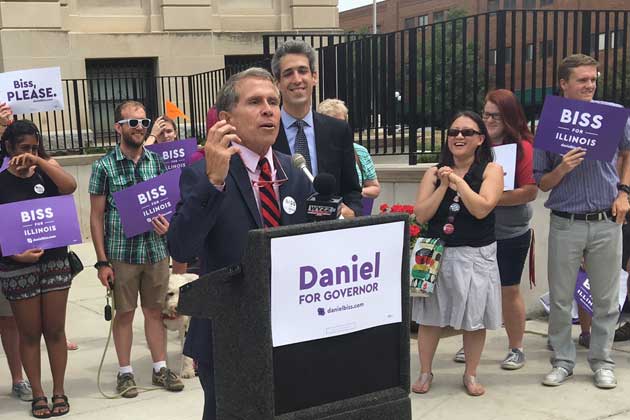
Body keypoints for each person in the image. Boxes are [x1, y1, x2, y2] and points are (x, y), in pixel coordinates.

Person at [168, 67, 313, 420]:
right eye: (255, 102)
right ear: (227, 119)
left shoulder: (294, 171)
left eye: (273, 102)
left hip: (288, 328)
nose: (268, 109)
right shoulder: (203, 174)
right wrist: (214, 181)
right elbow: (181, 248)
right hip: (228, 336)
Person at [534, 53, 630, 389]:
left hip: (606, 220)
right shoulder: (550, 122)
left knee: (606, 298)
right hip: (566, 221)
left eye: (593, 79)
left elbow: (628, 152)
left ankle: (602, 361)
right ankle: (562, 360)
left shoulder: (612, 115)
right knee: (561, 298)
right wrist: (562, 168)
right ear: (564, 84)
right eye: (582, 80)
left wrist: (624, 193)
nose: (589, 85)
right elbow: (541, 182)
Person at [89, 100, 184, 398]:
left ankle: (159, 369)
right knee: (125, 314)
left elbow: (169, 204)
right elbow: (95, 217)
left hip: (156, 251)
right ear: (119, 128)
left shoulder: (157, 162)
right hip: (122, 253)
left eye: (144, 122)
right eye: (133, 123)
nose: (140, 128)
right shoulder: (103, 166)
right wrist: (102, 262)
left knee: (154, 311)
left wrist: (168, 226)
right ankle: (125, 373)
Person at [411, 111, 503, 397]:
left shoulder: (491, 170)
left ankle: (471, 374)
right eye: (453, 132)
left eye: (466, 132)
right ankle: (425, 371)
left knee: (474, 316)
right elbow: (421, 214)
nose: (459, 137)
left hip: (476, 254)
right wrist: (442, 185)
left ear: (479, 139)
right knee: (429, 317)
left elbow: (481, 208)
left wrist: (459, 183)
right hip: (435, 253)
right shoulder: (432, 172)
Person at [452, 90, 537, 369]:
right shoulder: (476, 145)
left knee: (508, 289)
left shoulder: (523, 148)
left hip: (510, 232)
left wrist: (486, 198)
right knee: (472, 290)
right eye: (485, 114)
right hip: (475, 232)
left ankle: (516, 347)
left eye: (495, 115)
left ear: (510, 116)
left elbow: (529, 192)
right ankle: (471, 345)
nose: (488, 119)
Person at [0, 120, 77, 417]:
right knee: (29, 333)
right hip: (18, 267)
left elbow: (70, 186)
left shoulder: (46, 171)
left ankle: (59, 391)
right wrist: (16, 256)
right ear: (8, 148)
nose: (28, 153)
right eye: (23, 148)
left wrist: (39, 161)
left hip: (55, 261)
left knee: (55, 330)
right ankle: (38, 393)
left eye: (34, 147)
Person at [270, 39, 362, 217]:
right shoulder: (267, 133)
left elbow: (352, 191)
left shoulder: (338, 130)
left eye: (302, 71)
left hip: (330, 232)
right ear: (278, 84)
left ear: (314, 77)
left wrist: (351, 212)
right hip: (284, 234)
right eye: (288, 73)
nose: (297, 79)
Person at [144, 115, 188, 275]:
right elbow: (136, 157)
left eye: (169, 131)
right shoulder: (148, 156)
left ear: (175, 133)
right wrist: (152, 135)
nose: (166, 136)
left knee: (180, 261)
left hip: (181, 209)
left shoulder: (186, 152)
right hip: (159, 209)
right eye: (161, 133)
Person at [316, 98, 381, 199]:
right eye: (331, 123)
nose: (336, 127)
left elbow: (375, 188)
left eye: (340, 122)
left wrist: (354, 193)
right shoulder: (312, 149)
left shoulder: (360, 152)